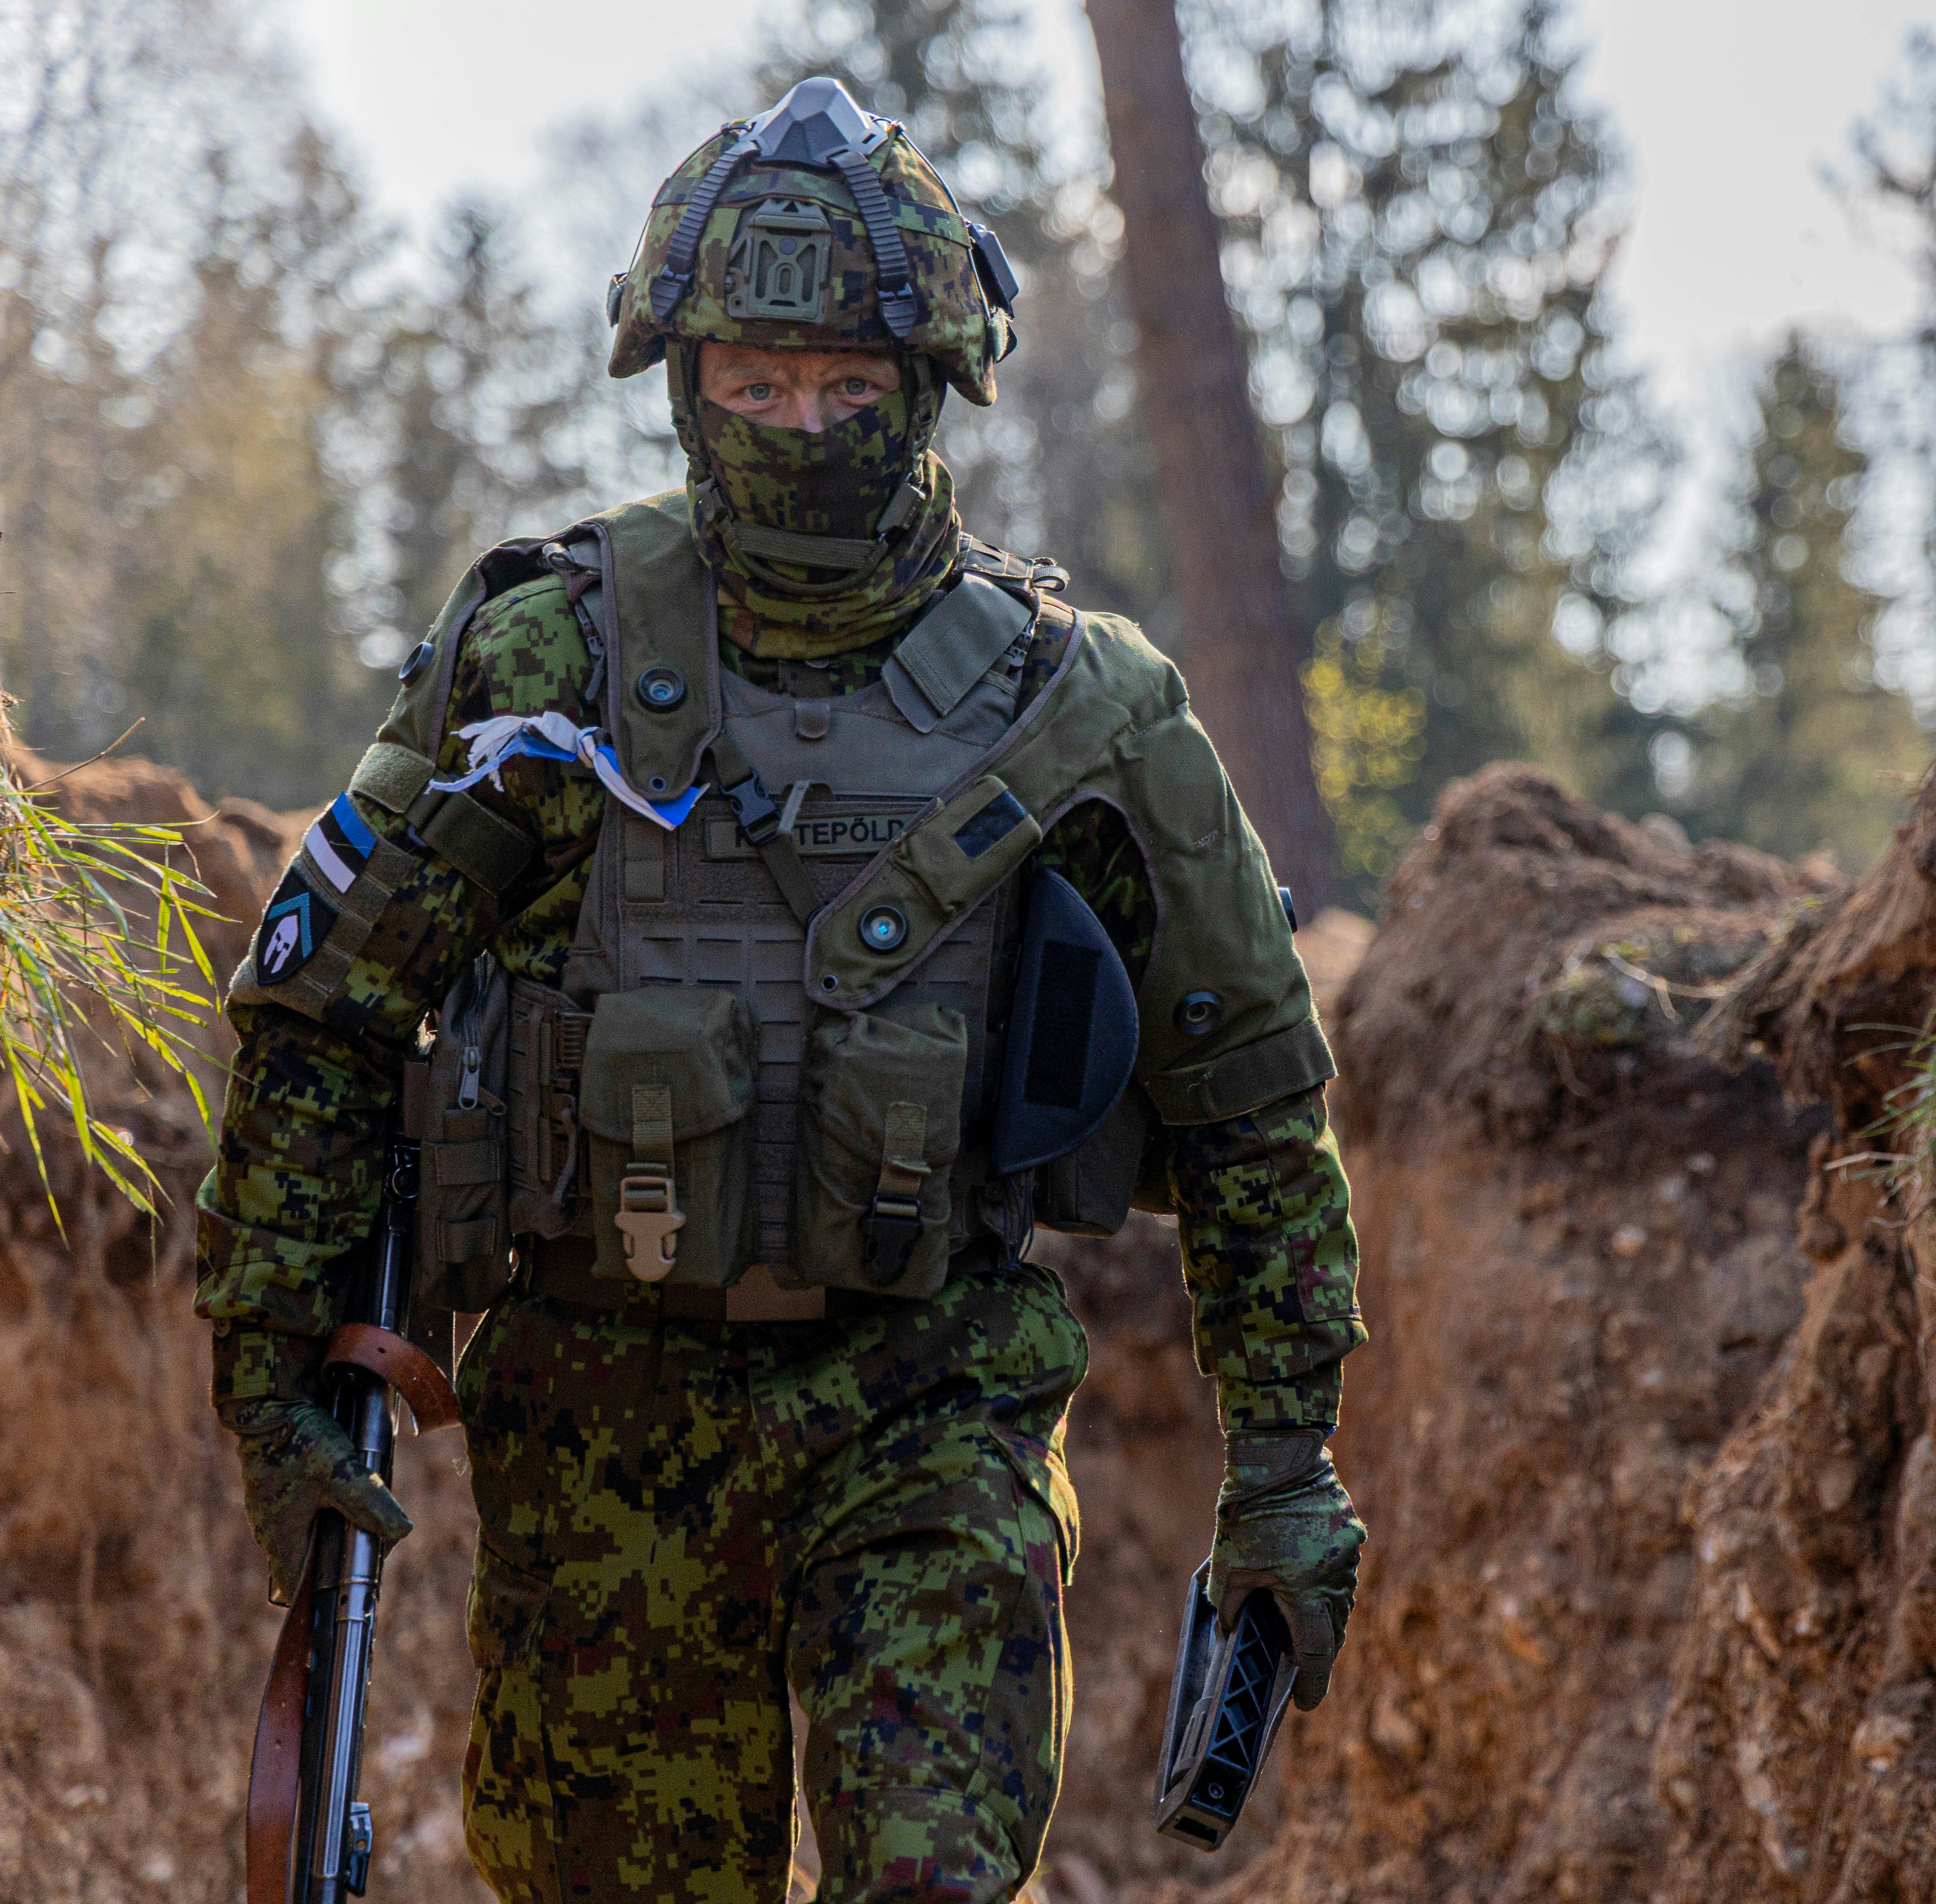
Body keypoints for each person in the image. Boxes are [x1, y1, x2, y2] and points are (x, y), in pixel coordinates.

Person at [193, 76, 1366, 1902]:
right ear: (683, 380)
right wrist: (278, 1383)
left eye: (846, 386)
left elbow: (1251, 1104)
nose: (802, 424)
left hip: (933, 1396)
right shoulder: (547, 654)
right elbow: (326, 1017)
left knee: (933, 1879)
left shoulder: (1088, 710)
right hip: (599, 1415)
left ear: (926, 386)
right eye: (755, 383)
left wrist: (1285, 1460)